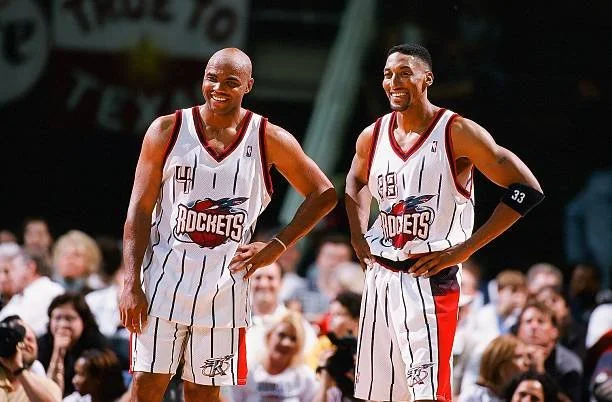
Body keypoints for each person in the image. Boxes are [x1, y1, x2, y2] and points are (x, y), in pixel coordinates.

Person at [119, 47, 336, 402]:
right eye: (212, 78)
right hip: (162, 282)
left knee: (203, 394)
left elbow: (324, 193)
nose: (219, 88)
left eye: (231, 82)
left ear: (248, 85)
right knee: (146, 386)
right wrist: (130, 283)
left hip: (226, 292)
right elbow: (139, 212)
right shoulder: (166, 130)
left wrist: (277, 246)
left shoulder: (267, 137)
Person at [344, 43, 544, 402]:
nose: (394, 81)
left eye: (405, 73)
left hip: (429, 280)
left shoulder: (457, 132)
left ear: (428, 79)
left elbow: (526, 189)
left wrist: (465, 250)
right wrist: (358, 236)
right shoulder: (373, 135)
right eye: (388, 74)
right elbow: (356, 180)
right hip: (380, 279)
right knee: (377, 396)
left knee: (429, 395)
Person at [231, 311, 319, 402]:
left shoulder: (304, 376)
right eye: (282, 335)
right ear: (269, 336)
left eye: (293, 339)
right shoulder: (248, 372)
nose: (286, 343)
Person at [37, 293, 108, 397]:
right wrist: (57, 353)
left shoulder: (97, 344)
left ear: (83, 321)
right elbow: (47, 392)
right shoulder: (42, 343)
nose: (62, 324)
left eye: (69, 318)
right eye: (57, 318)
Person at [0, 250, 64, 336]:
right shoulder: (19, 296)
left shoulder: (51, 292)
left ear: (30, 267)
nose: (10, 276)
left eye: (14, 269)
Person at [0, 315, 62, 402]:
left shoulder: (48, 387)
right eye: (17, 339)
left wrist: (18, 370)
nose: (23, 344)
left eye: (29, 339)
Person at [458, 334, 530, 402]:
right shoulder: (474, 395)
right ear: (499, 362)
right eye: (518, 357)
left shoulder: (519, 396)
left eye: (527, 356)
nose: (527, 362)